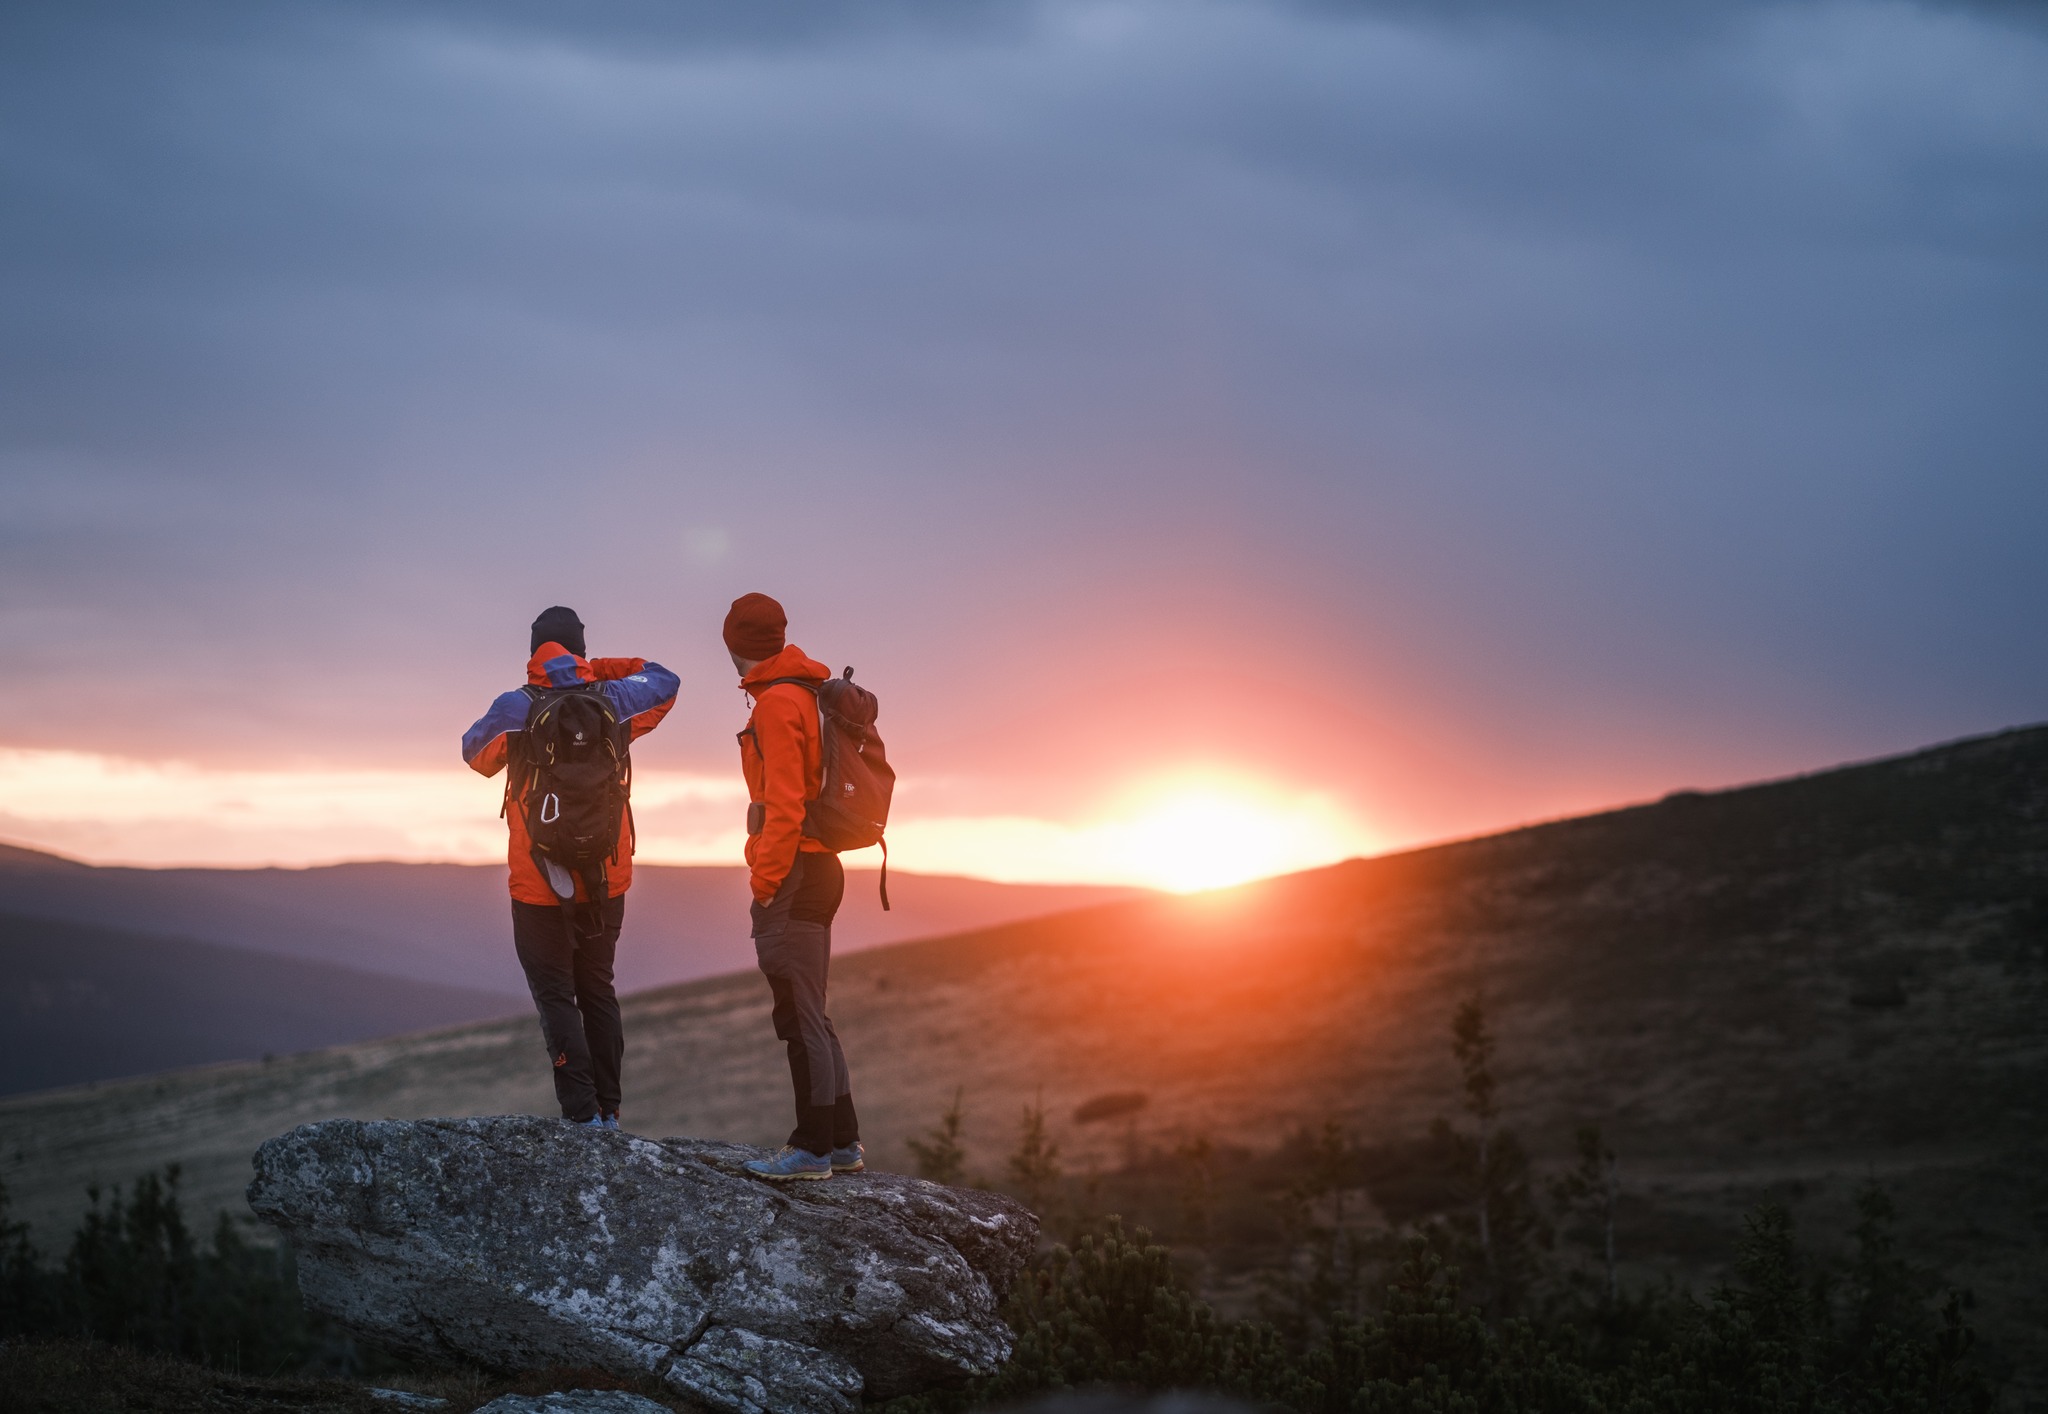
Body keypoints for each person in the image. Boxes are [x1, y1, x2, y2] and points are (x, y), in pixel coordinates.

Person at [461, 606, 678, 1131]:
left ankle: (579, 1117)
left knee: (557, 995)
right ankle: (609, 1111)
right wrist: (594, 670)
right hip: (608, 875)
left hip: (538, 882)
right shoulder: (616, 698)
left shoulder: (517, 705)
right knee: (597, 988)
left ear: (533, 650)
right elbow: (666, 681)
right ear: (582, 649)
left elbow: (475, 754)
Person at [724, 592, 863, 1180]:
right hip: (821, 866)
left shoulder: (778, 703)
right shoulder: (807, 694)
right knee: (812, 1011)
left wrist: (763, 880)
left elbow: (782, 805)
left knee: (799, 1015)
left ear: (735, 647)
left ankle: (811, 1147)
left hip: (797, 869)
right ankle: (841, 1143)